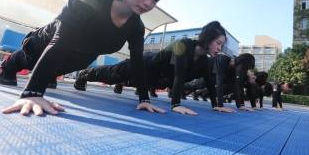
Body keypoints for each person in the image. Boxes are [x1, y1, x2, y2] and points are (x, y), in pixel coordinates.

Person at [0, 0, 166, 116]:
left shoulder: (136, 27)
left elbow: (137, 63)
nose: (149, 3)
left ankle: (50, 73)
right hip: (45, 42)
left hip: (78, 58)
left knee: (77, 62)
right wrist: (33, 93)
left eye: (155, 0)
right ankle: (10, 64)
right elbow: (60, 42)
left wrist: (144, 99)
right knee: (31, 59)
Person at [73, 21, 234, 115]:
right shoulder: (184, 45)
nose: (219, 48)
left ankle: (120, 82)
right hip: (144, 64)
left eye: (221, 45)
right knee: (111, 75)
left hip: (152, 79)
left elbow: (209, 82)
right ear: (208, 38)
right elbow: (179, 74)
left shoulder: (203, 61)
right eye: (218, 43)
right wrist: (175, 104)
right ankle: (84, 74)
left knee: (125, 81)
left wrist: (216, 105)